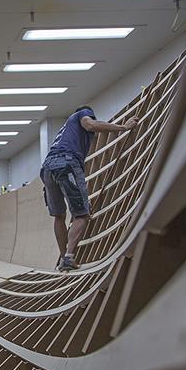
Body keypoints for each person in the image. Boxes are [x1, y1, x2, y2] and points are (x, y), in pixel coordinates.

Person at [40, 106, 139, 271]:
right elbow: (90, 125)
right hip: (66, 163)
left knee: (59, 216)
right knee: (82, 215)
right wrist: (123, 127)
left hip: (47, 168)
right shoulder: (82, 114)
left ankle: (64, 258)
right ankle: (69, 258)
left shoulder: (65, 132)